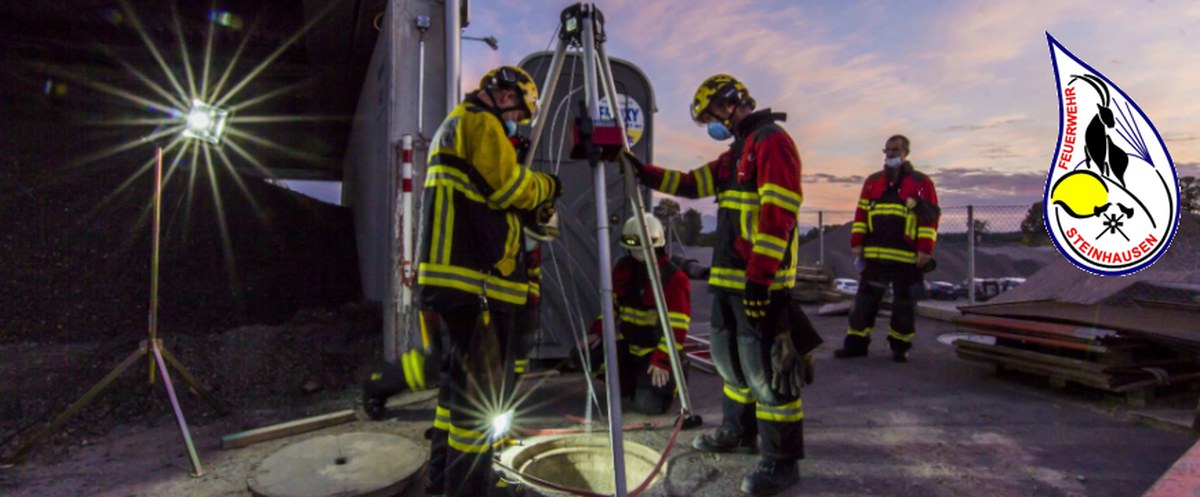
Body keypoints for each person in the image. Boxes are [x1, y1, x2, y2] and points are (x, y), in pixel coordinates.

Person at [624, 74, 812, 496]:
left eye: (711, 115)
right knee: (731, 365)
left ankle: (782, 461)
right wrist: (642, 172)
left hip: (757, 284)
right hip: (729, 281)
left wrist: (762, 279)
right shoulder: (738, 152)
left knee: (768, 374)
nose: (713, 124)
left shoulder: (772, 142)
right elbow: (691, 183)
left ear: (729, 104)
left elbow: (778, 213)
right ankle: (738, 432)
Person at [417, 65, 561, 497]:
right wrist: (546, 186)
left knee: (455, 397)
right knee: (475, 405)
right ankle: (470, 489)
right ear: (506, 97)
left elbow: (485, 200)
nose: (516, 121)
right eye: (518, 112)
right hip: (473, 284)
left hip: (458, 284)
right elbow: (507, 187)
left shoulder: (458, 124)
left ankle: (441, 484)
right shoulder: (480, 123)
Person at [836, 134, 939, 363]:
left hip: (907, 258)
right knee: (863, 303)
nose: (890, 154)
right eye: (888, 150)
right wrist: (857, 242)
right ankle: (856, 344)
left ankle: (900, 347)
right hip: (875, 256)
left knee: (904, 306)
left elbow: (929, 220)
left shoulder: (922, 183)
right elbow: (861, 214)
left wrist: (925, 250)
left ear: (906, 153)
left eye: (895, 150)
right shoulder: (873, 182)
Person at [585, 214, 690, 415]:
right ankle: (631, 381)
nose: (637, 252)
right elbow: (611, 306)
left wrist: (663, 358)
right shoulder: (623, 269)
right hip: (629, 345)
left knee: (646, 405)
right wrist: (597, 331)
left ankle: (677, 374)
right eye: (633, 247)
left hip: (654, 350)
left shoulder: (673, 277)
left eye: (642, 247)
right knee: (585, 354)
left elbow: (677, 326)